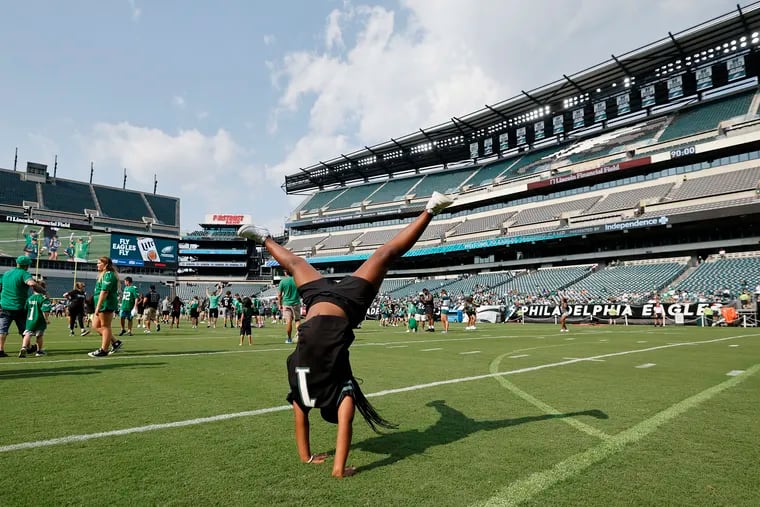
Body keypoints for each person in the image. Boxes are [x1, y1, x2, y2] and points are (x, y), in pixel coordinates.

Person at [238, 190, 453, 478]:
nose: (343, 412)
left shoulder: (321, 391)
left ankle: (263, 237)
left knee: (305, 263)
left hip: (323, 302)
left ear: (332, 409)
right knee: (378, 255)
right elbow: (316, 424)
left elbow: (320, 424)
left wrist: (323, 463)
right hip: (339, 305)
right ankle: (430, 210)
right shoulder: (325, 392)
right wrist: (321, 463)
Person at [0, 256, 47, 357]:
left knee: (2, 329)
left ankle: (1, 350)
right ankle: (27, 347)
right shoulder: (24, 274)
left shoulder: (7, 274)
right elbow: (32, 284)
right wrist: (43, 291)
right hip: (19, 306)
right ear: (26, 265)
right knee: (25, 330)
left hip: (4, 305)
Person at [87, 257, 124, 357]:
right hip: (102, 303)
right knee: (95, 326)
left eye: (99, 263)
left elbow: (104, 292)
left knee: (105, 326)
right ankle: (115, 342)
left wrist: (98, 306)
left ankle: (104, 350)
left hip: (106, 303)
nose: (97, 265)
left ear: (106, 265)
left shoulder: (108, 275)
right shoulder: (103, 274)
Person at [19, 281, 51, 357]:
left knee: (27, 334)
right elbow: (45, 310)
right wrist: (46, 319)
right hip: (39, 321)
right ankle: (39, 351)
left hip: (30, 321)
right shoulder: (43, 298)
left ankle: (24, 347)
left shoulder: (29, 298)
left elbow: (25, 309)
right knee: (39, 336)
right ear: (43, 288)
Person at [278, 270, 301, 344]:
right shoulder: (297, 280)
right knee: (297, 320)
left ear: (285, 273)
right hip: (296, 302)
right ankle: (299, 335)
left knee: (288, 321)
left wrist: (279, 304)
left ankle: (289, 338)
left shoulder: (283, 281)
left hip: (286, 303)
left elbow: (279, 294)